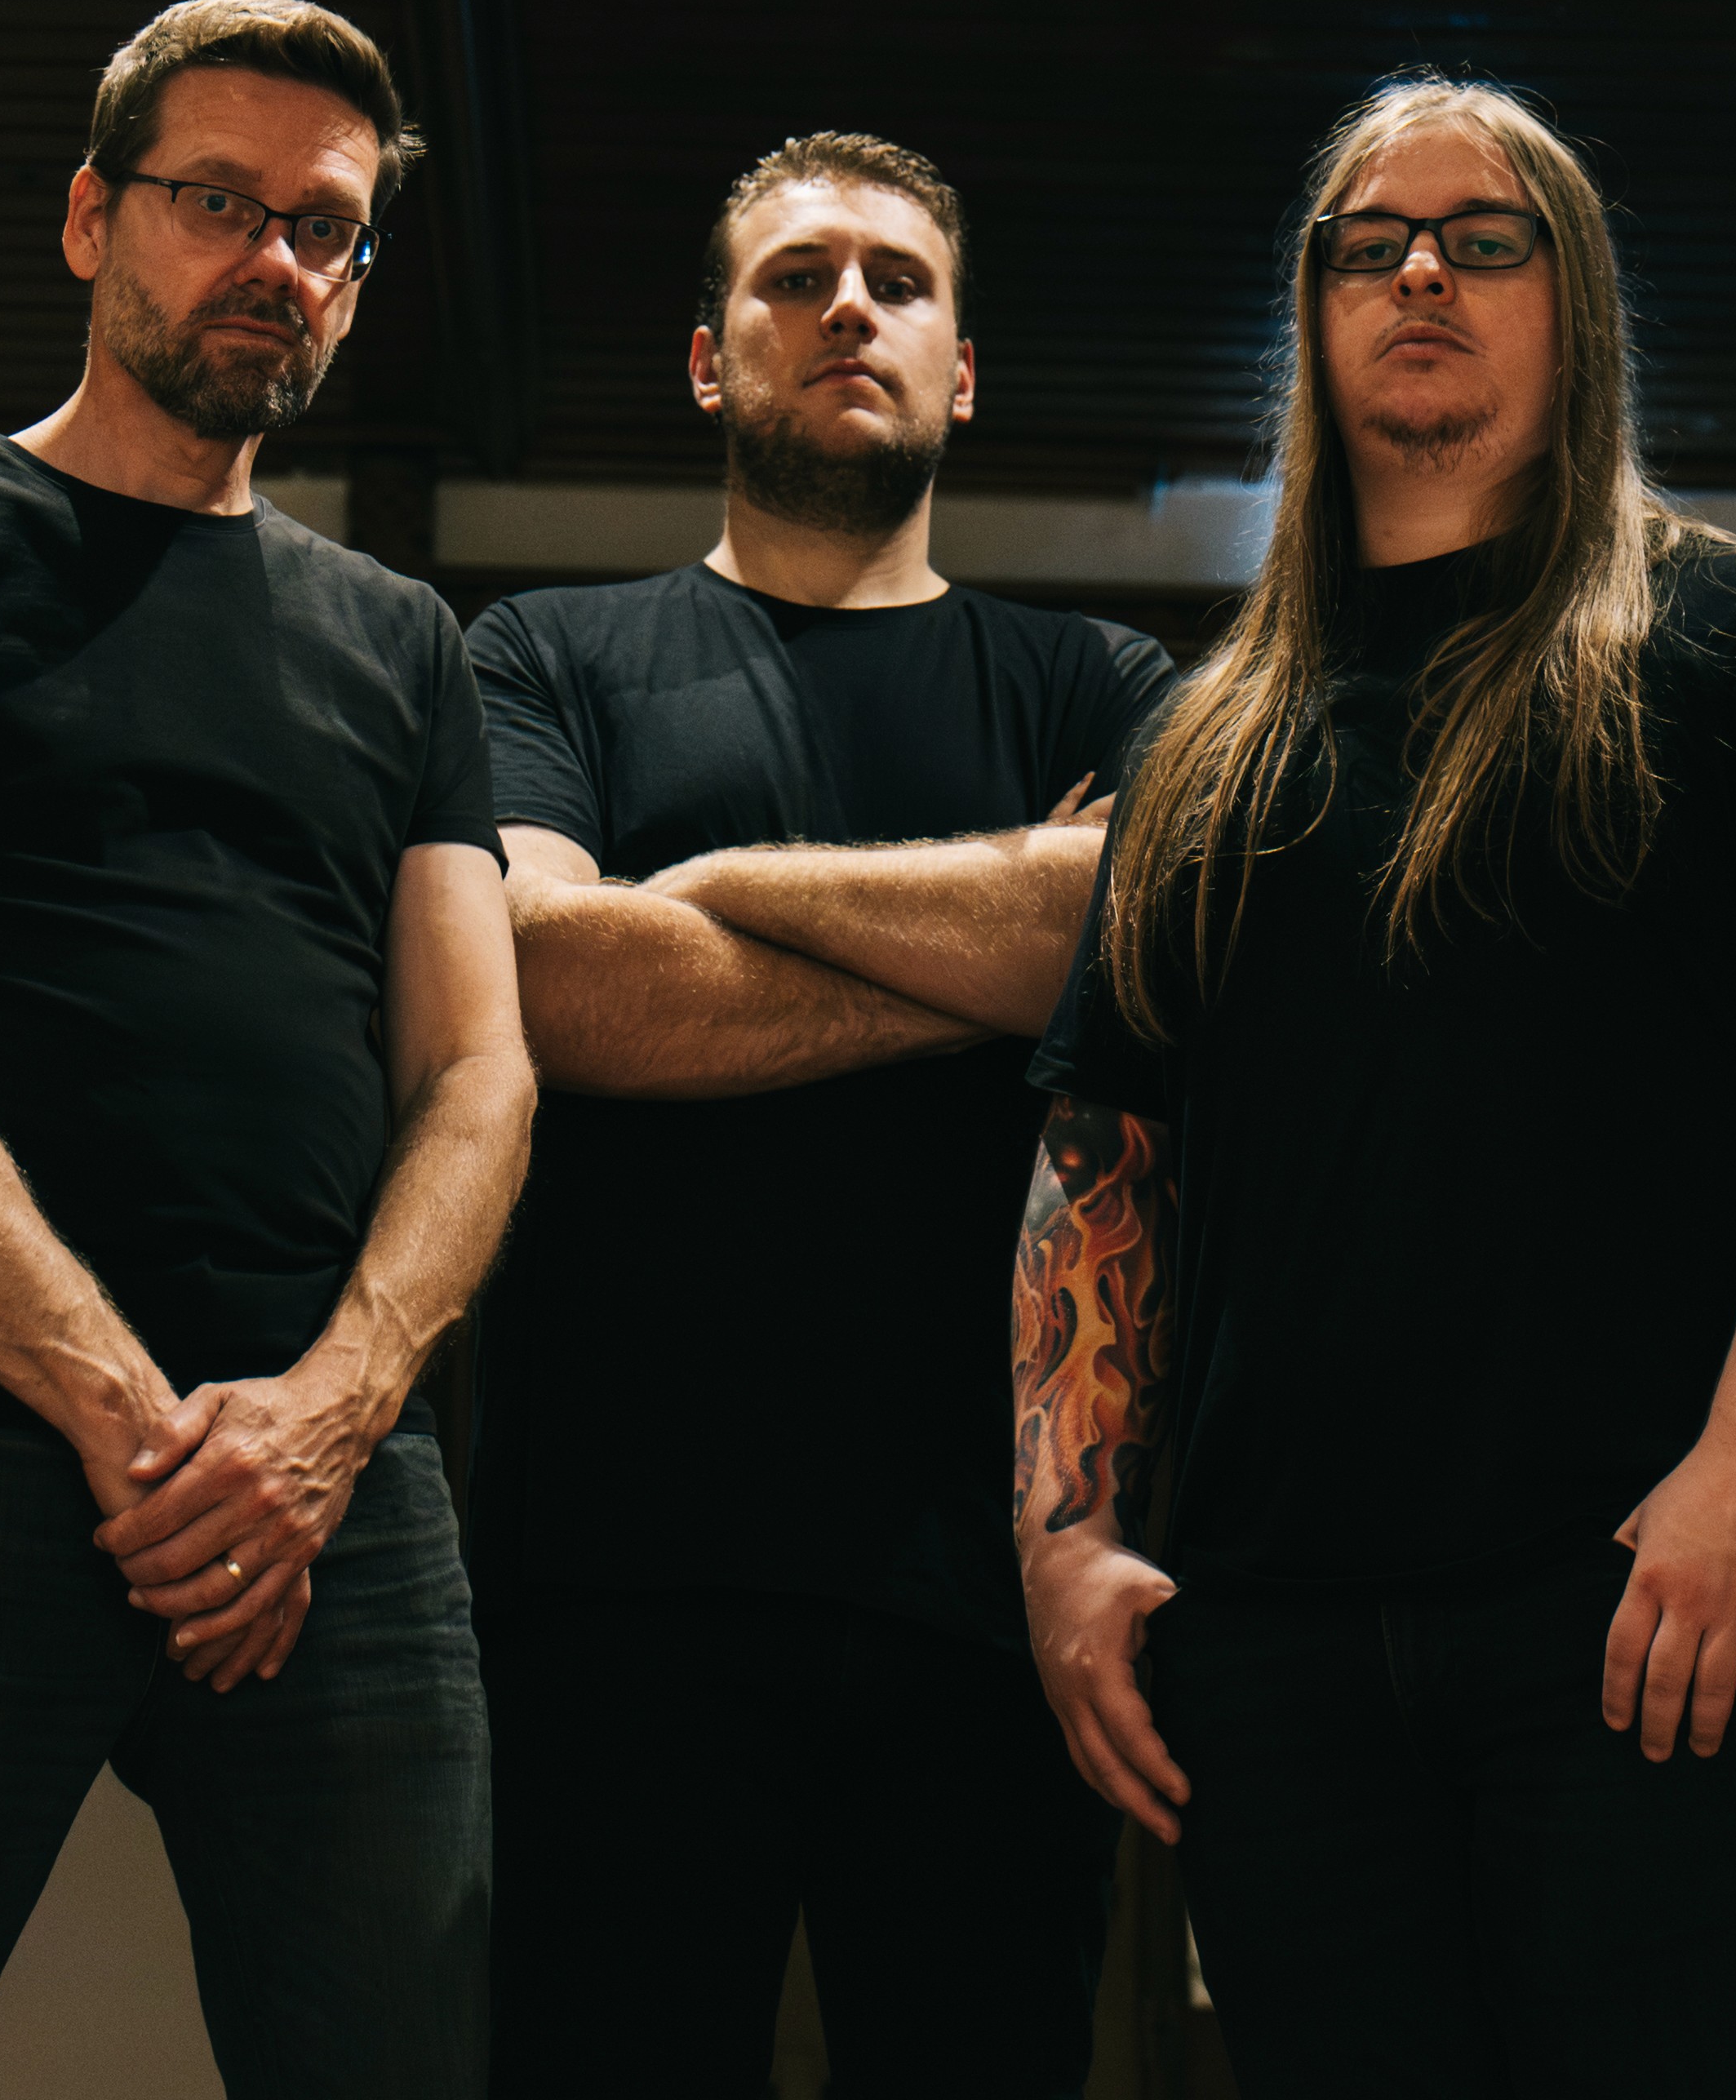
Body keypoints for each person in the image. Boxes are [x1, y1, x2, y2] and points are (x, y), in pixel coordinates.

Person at [1012, 77, 1736, 2100]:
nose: (1422, 274)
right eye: (1370, 246)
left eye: (1483, 238)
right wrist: (1066, 1532)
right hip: (1279, 1660)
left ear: (1576, 300)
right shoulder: (1204, 736)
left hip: (1654, 1611)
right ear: (1315, 310)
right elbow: (1108, 1143)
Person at [0, 0, 529, 2099]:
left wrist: (328, 1418)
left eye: (323, 229)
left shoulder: (401, 642)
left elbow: (478, 1071)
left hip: (331, 1498)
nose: (272, 260)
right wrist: (133, 1426)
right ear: (89, 217)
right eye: (216, 202)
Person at [469, 133, 1169, 2099]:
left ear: (964, 370)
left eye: (896, 280)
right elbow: (551, 983)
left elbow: (1123, 944)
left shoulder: (1098, 678)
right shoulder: (543, 655)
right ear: (711, 358)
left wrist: (705, 895)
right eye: (794, 277)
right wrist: (990, 956)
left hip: (992, 1580)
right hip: (612, 1574)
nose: (846, 306)